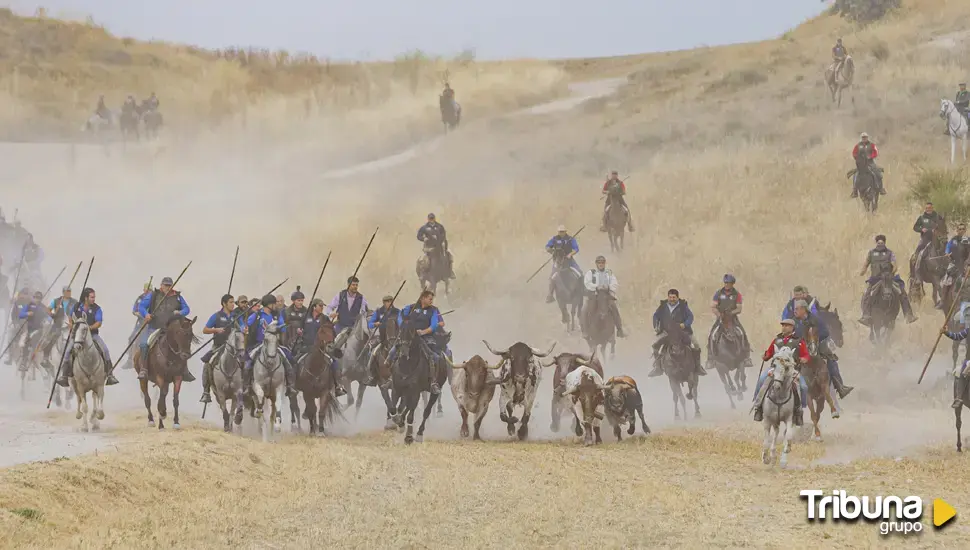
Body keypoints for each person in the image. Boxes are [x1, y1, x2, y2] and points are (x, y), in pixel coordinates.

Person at [136, 276, 195, 382]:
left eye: (169, 285)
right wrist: (146, 314)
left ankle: (184, 370)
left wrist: (180, 312)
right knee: (144, 344)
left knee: (182, 344)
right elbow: (141, 307)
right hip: (155, 327)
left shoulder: (177, 297)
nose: (167, 287)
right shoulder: (153, 295)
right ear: (161, 285)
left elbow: (187, 309)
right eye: (165, 285)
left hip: (171, 329)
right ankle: (144, 369)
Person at [55, 288, 118, 387]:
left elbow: (98, 323)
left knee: (105, 350)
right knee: (67, 352)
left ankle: (110, 375)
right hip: (77, 336)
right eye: (92, 297)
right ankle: (64, 376)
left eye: (94, 297)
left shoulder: (97, 309)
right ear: (86, 298)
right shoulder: (76, 306)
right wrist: (72, 325)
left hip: (92, 335)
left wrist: (88, 328)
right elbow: (70, 316)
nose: (94, 299)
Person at [751, 319, 809, 425]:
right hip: (775, 368)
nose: (784, 327)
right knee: (762, 379)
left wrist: (804, 359)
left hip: (791, 370)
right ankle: (758, 406)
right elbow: (769, 353)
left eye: (787, 325)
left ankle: (799, 410)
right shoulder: (777, 340)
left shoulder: (799, 341)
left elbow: (805, 355)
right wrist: (766, 356)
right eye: (783, 325)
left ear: (792, 327)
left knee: (804, 386)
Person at [792, 300, 854, 399]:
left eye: (797, 309)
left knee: (831, 359)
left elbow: (825, 332)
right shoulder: (795, 321)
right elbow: (793, 334)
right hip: (801, 345)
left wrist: (814, 339)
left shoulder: (816, 319)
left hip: (817, 344)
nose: (795, 311)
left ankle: (840, 386)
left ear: (803, 309)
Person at [243, 294, 297, 398]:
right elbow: (246, 325)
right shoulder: (257, 315)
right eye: (274, 303)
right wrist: (244, 329)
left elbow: (283, 328)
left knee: (288, 359)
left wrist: (282, 327)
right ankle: (247, 386)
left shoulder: (277, 315)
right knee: (248, 363)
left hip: (274, 344)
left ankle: (290, 385)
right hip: (259, 344)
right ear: (269, 305)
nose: (276, 305)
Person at [858, 234, 918, 325]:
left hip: (888, 277)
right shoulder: (871, 253)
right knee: (867, 293)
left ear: (884, 243)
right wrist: (862, 271)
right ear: (876, 243)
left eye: (882, 243)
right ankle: (866, 315)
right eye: (878, 243)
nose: (880, 244)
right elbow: (866, 264)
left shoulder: (890, 253)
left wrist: (891, 273)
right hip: (875, 278)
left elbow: (895, 265)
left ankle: (908, 315)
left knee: (901, 291)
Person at [648, 289, 706, 377]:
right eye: (670, 297)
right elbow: (656, 316)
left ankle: (698, 366)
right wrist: (656, 326)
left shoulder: (683, 306)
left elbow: (690, 317)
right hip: (666, 332)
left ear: (678, 298)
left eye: (674, 297)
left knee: (696, 344)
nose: (672, 299)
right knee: (654, 345)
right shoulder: (663, 306)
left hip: (682, 332)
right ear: (668, 297)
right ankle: (658, 367)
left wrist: (685, 324)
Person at [397, 290, 444, 395]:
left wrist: (423, 332)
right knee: (393, 351)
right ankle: (391, 378)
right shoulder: (411, 307)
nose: (432, 301)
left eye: (432, 299)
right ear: (423, 298)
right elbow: (400, 316)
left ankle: (433, 382)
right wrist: (403, 326)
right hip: (409, 336)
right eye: (430, 298)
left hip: (426, 337)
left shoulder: (433, 311)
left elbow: (434, 325)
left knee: (434, 357)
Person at [198, 294, 237, 404]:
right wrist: (216, 330)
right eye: (230, 302)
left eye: (233, 302)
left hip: (233, 348)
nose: (233, 304)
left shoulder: (236, 316)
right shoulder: (216, 316)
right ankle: (206, 392)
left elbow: (242, 327)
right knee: (207, 364)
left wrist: (244, 329)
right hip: (218, 346)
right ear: (224, 304)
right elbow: (205, 330)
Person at [707, 274, 752, 367]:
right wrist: (719, 315)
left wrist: (731, 313)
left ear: (733, 284)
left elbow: (739, 308)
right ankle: (710, 358)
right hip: (721, 318)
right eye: (726, 283)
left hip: (732, 318)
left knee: (742, 334)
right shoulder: (718, 293)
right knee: (712, 335)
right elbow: (713, 306)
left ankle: (747, 357)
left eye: (729, 283)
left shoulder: (737, 294)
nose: (727, 285)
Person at [583, 255, 626, 338]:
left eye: (602, 263)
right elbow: (587, 283)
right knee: (585, 309)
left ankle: (619, 329)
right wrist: (596, 286)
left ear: (605, 263)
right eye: (599, 263)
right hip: (594, 294)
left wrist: (609, 287)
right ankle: (585, 330)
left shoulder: (609, 272)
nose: (601, 264)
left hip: (606, 294)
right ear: (596, 264)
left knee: (614, 307)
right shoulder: (591, 273)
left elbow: (614, 283)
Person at [545, 225, 581, 303]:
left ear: (565, 231)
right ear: (558, 232)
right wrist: (552, 251)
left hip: (569, 261)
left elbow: (576, 249)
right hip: (558, 261)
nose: (561, 233)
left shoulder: (570, 239)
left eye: (562, 231)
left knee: (579, 273)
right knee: (552, 277)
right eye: (560, 232)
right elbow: (547, 247)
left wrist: (570, 254)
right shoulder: (554, 239)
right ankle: (550, 295)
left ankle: (582, 291)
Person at [417, 213, 455, 279]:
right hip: (428, 248)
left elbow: (443, 235)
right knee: (423, 260)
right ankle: (422, 274)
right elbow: (418, 236)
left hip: (439, 247)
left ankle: (450, 272)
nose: (431, 220)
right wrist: (424, 238)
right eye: (430, 218)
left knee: (449, 256)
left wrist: (439, 239)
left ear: (434, 218)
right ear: (428, 219)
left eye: (432, 218)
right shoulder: (424, 228)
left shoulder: (439, 227)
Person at [17, 291, 48, 370]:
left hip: (39, 330)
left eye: (39, 298)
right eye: (36, 297)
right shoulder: (29, 305)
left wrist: (46, 320)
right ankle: (24, 361)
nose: (38, 299)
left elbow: (49, 316)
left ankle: (45, 358)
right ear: (33, 298)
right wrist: (27, 313)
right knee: (26, 342)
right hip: (29, 329)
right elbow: (20, 315)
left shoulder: (43, 307)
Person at [941, 325, 970, 408]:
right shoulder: (968, 331)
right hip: (969, 360)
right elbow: (957, 336)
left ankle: (959, 397)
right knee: (962, 372)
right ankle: (959, 397)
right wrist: (946, 332)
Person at [850, 132, 885, 197]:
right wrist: (857, 158)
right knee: (856, 175)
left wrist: (871, 156)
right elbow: (854, 153)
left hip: (870, 163)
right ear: (861, 138)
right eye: (863, 137)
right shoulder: (857, 146)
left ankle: (881, 188)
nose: (864, 139)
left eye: (865, 137)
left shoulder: (872, 145)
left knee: (878, 173)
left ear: (867, 138)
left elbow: (876, 152)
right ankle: (854, 191)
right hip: (861, 164)